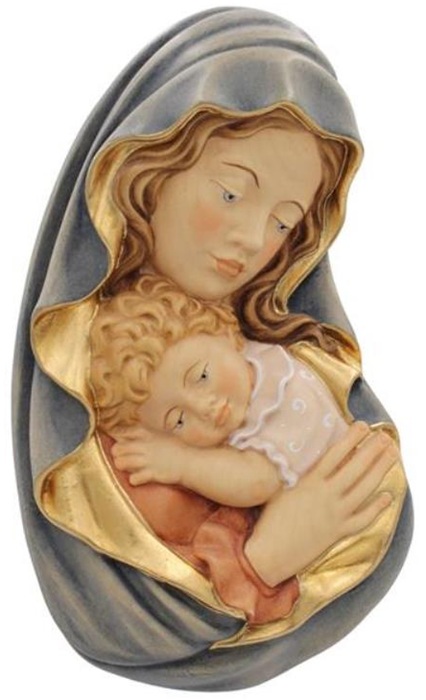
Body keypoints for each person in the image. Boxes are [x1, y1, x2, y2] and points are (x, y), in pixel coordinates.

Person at [22, 8, 411, 688]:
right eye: (231, 193)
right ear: (147, 170)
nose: (252, 241)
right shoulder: (102, 375)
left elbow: (379, 510)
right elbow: (124, 615)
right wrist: (269, 556)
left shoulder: (292, 356)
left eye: (284, 224)